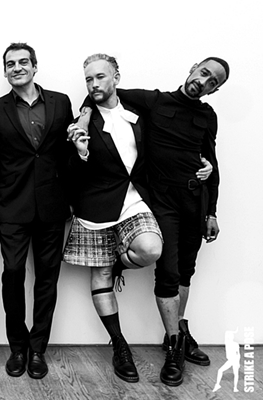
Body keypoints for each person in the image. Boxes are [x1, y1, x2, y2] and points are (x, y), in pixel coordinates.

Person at [76, 56, 229, 386]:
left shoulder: (208, 116)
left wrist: (212, 211)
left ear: (214, 90)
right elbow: (100, 92)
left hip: (195, 201)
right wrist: (84, 119)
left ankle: (178, 332)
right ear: (192, 68)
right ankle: (175, 347)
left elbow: (212, 161)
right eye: (203, 73)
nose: (203, 81)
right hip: (162, 202)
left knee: (186, 270)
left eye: (212, 82)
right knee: (168, 270)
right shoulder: (154, 101)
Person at [65, 54, 163, 383]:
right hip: (96, 207)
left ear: (116, 77)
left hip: (135, 200)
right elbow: (69, 174)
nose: (94, 84)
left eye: (100, 77)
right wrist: (80, 153)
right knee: (101, 274)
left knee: (150, 248)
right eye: (88, 79)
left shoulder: (139, 114)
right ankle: (119, 343)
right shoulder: (80, 124)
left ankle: (119, 261)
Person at [0, 43, 74, 379]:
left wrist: (74, 199)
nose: (17, 67)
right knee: (13, 273)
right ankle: (17, 348)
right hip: (11, 204)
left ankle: (38, 349)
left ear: (35, 67)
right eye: (10, 64)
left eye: (23, 62)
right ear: (5, 71)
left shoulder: (61, 102)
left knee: (47, 279)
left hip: (52, 205)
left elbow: (69, 153)